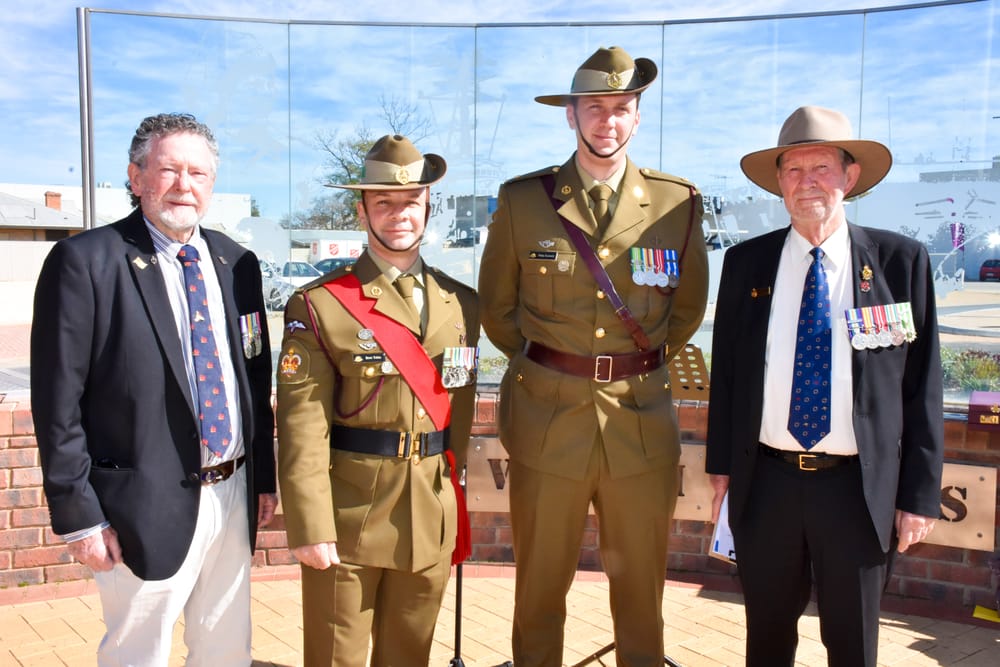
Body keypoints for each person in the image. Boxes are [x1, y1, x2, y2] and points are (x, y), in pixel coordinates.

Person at [478, 46, 709, 666]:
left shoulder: (676, 202)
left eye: (621, 109)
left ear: (637, 118)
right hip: (548, 418)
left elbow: (684, 312)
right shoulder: (525, 201)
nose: (608, 121)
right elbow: (498, 311)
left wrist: (626, 367)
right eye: (595, 108)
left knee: (640, 591)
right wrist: (556, 364)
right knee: (539, 589)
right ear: (572, 116)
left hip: (638, 421)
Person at [31, 112, 277, 665]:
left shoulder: (237, 264)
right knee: (138, 654)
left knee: (226, 650)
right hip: (138, 508)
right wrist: (80, 516)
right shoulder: (85, 262)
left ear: (213, 184)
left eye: (198, 173)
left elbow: (253, 378)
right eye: (168, 169)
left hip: (232, 494)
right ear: (137, 176)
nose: (184, 185)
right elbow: (57, 403)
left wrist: (264, 478)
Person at [705, 105, 944, 666]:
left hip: (857, 493)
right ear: (779, 182)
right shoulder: (746, 263)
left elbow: (923, 385)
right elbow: (730, 377)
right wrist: (722, 469)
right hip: (767, 484)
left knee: (852, 645)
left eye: (821, 169)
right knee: (765, 639)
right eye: (793, 170)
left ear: (850, 177)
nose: (807, 182)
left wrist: (917, 496)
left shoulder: (898, 262)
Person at [276, 134, 479, 666]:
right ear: (361, 208)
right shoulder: (320, 304)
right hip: (349, 516)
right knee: (335, 659)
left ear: (428, 206)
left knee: (410, 659)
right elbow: (302, 427)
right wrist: (310, 525)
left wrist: (450, 501)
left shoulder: (462, 303)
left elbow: (457, 408)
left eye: (411, 201)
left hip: (429, 515)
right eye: (383, 202)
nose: (399, 215)